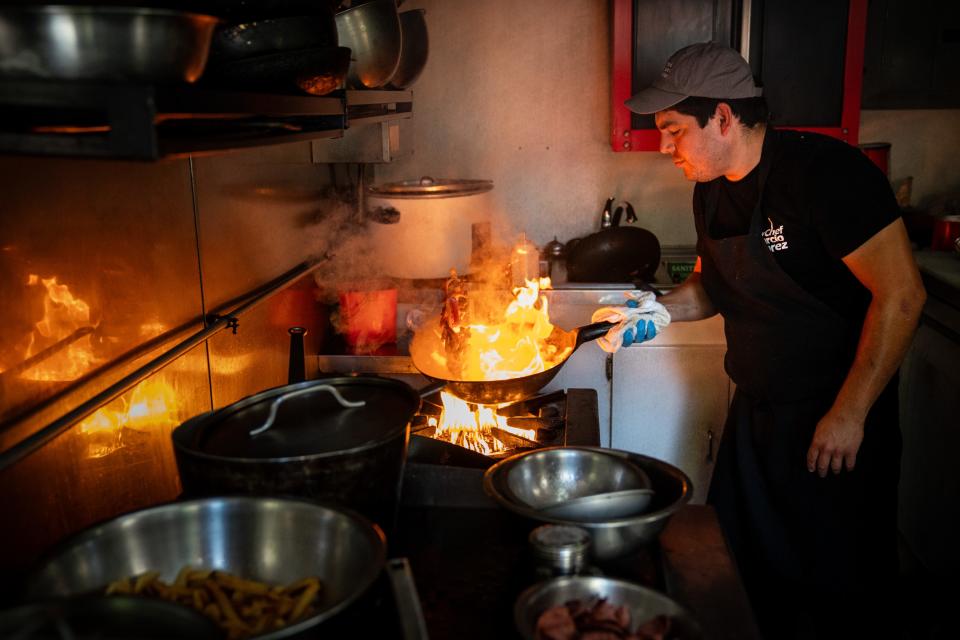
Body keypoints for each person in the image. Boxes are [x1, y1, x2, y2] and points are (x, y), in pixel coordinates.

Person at [622, 42, 926, 639]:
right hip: (757, 420)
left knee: (837, 595)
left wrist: (850, 412)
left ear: (724, 119)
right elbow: (715, 286)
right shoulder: (710, 186)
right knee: (741, 574)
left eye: (673, 130)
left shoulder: (826, 176)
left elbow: (903, 295)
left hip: (834, 426)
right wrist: (655, 311)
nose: (663, 147)